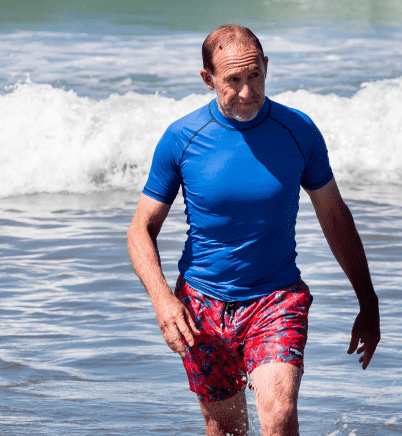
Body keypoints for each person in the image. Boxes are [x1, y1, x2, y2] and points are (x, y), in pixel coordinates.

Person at [127, 25, 380, 436]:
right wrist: (162, 301)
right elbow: (140, 229)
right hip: (201, 305)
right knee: (226, 429)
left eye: (255, 76)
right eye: (233, 80)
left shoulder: (298, 131)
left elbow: (335, 217)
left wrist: (368, 301)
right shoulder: (182, 138)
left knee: (279, 415)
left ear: (266, 66)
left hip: (276, 299)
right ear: (208, 78)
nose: (247, 92)